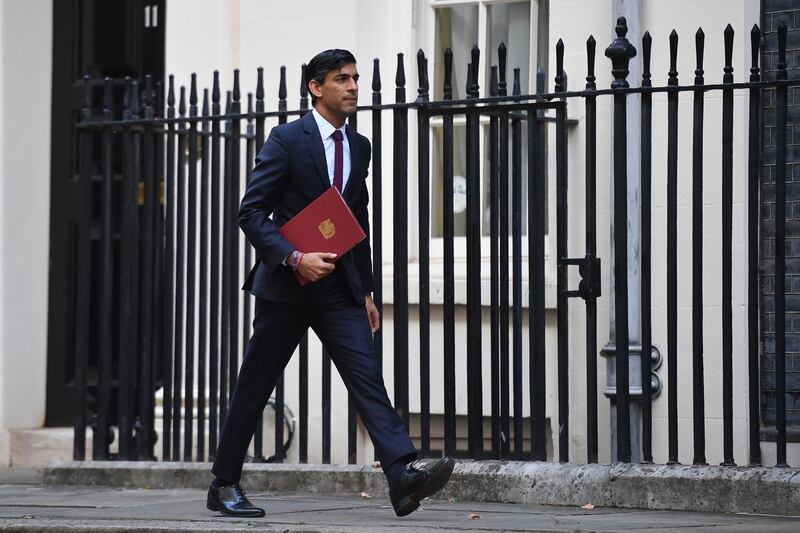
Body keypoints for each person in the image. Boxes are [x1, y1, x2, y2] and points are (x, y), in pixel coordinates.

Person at [206, 49, 454, 519]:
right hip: (287, 287)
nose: (354, 87)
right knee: (255, 385)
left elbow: (353, 220)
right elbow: (251, 213)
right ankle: (224, 483)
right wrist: (294, 257)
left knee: (366, 376)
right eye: (342, 79)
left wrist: (366, 292)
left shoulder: (358, 146)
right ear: (316, 88)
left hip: (340, 289)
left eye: (356, 78)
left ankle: (401, 473)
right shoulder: (286, 139)